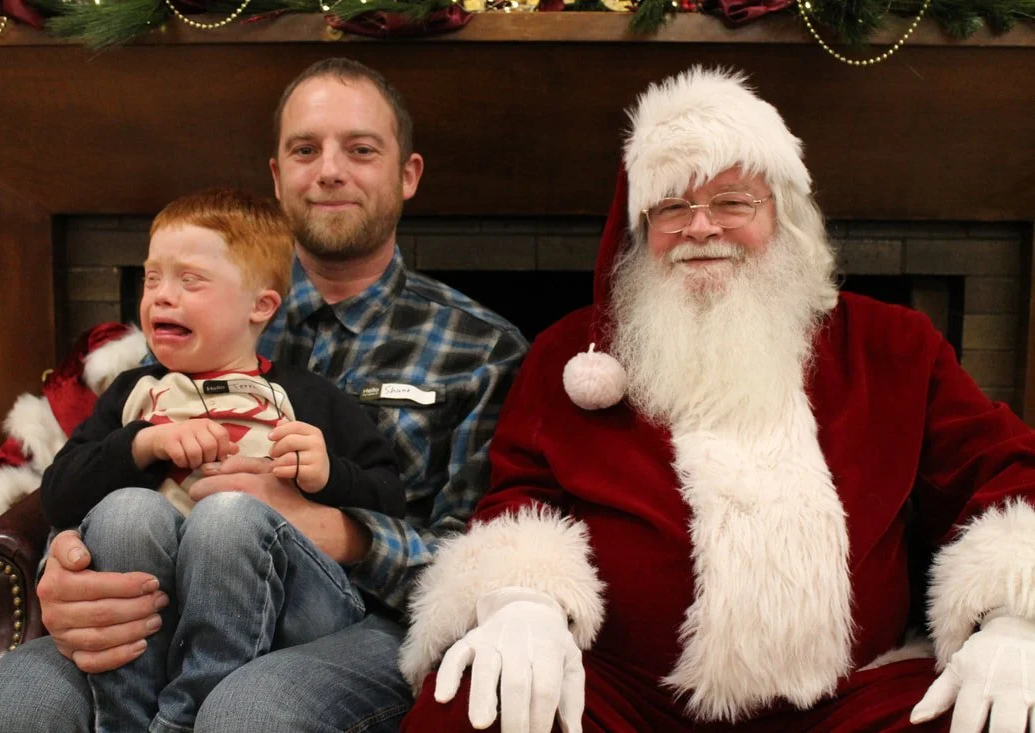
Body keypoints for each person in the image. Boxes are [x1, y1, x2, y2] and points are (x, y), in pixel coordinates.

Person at [398, 66, 1035, 733]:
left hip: (854, 699)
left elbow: (1004, 472)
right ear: (642, 227)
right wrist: (521, 599)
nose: (701, 227)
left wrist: (1014, 614)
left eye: (733, 202)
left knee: (1004, 711)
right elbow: (520, 493)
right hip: (625, 697)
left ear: (781, 216)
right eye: (672, 206)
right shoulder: (574, 354)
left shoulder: (893, 345)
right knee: (468, 710)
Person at [0, 58, 527, 733]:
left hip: (360, 622)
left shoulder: (483, 347)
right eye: (305, 149)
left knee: (246, 710)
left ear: (408, 175)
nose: (330, 170)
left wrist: (331, 528)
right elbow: (103, 461)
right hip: (167, 599)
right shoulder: (199, 316)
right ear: (278, 175)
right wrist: (68, 564)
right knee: (16, 699)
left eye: (362, 149)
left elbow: (482, 559)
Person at [36, 187, 405, 732]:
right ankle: (126, 720)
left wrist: (327, 475)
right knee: (126, 513)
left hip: (283, 611)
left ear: (260, 306)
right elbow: (58, 492)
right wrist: (142, 444)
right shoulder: (134, 395)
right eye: (152, 277)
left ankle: (185, 721)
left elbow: (389, 494)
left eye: (190, 280)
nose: (162, 296)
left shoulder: (304, 395)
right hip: (157, 609)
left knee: (227, 516)